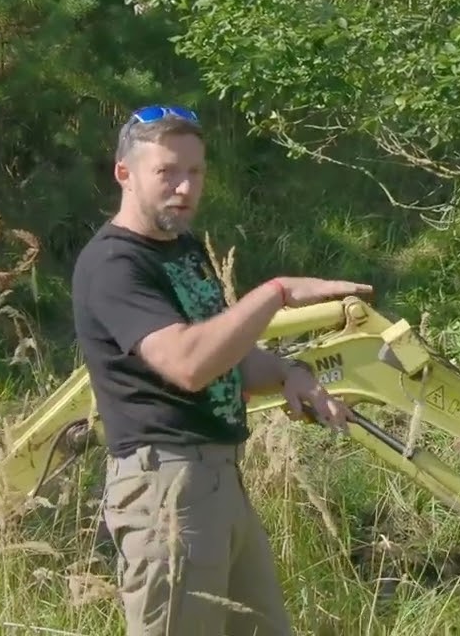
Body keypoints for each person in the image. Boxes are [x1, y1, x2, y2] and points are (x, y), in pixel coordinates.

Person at [71, 105, 373, 635]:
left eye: (196, 172)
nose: (185, 188)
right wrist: (275, 295)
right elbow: (187, 363)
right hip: (166, 490)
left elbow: (224, 352)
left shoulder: (183, 250)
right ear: (125, 173)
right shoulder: (114, 265)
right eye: (167, 172)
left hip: (220, 482)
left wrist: (287, 374)